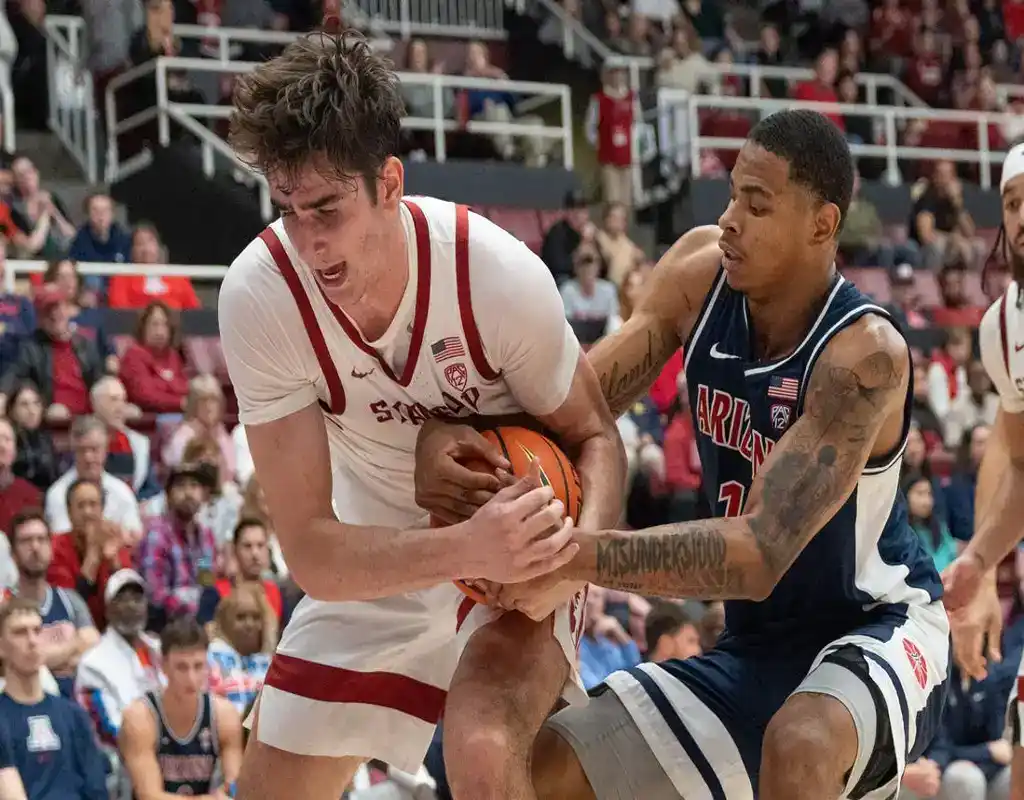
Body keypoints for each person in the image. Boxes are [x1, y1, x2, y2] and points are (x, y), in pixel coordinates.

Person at [416, 109, 950, 799]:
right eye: (732, 194)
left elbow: (756, 556)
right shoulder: (702, 278)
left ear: (822, 224)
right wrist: (444, 446)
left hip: (875, 625)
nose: (729, 220)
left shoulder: (863, 356)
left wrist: (564, 555)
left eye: (756, 206)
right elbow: (576, 405)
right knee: (548, 770)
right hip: (754, 648)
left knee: (802, 744)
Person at [218, 29, 624, 799]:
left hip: (521, 549)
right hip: (382, 555)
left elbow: (597, 436)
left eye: (328, 209)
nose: (308, 240)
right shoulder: (259, 298)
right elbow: (309, 550)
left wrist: (575, 560)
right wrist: (463, 547)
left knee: (480, 745)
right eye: (288, 209)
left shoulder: (496, 276)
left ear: (390, 183)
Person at [941, 141, 1024, 800]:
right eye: (1012, 203)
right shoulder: (1002, 329)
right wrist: (982, 562)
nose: (1022, 215)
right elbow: (1016, 457)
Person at [119, 617, 243, 799]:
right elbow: (149, 795)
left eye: (198, 666)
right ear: (163, 665)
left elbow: (234, 788)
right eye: (182, 667)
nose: (192, 678)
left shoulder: (224, 715)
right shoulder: (140, 717)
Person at [0, 597, 108, 800]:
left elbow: (97, 792)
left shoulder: (74, 715)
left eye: (37, 631)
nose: (32, 641)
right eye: (19, 633)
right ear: (1, 647)